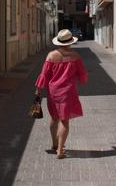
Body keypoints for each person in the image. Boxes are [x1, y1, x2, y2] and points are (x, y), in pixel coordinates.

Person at [35, 29, 88, 159]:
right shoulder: (75, 56)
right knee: (64, 120)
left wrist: (38, 90)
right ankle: (60, 150)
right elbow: (82, 74)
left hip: (53, 91)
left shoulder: (51, 55)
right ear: (70, 42)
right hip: (68, 92)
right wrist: (80, 80)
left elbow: (44, 75)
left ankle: (54, 144)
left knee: (54, 118)